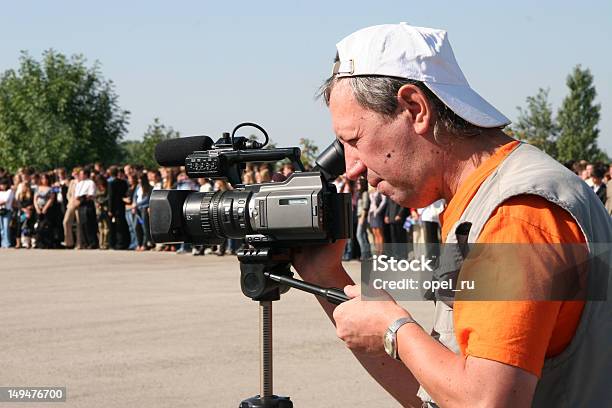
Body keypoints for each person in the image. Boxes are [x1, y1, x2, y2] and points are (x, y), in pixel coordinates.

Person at [291, 23, 612, 406]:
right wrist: (323, 276)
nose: (353, 166)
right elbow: (441, 396)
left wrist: (394, 329)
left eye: (355, 140)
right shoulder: (482, 201)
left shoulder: (515, 215)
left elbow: (484, 402)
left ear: (415, 108)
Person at [75, 168, 98, 249]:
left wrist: (84, 197)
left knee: (89, 224)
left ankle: (92, 242)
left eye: (81, 174)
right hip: (80, 204)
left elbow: (91, 194)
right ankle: (85, 242)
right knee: (82, 224)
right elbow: (76, 194)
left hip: (87, 203)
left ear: (85, 174)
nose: (80, 175)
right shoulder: (79, 183)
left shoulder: (90, 182)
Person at [0, 177, 14, 248]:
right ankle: (3, 243)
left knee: (6, 227)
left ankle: (7, 243)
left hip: (7, 211)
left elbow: (6, 200)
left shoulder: (10, 191)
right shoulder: (0, 192)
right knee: (1, 228)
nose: (2, 186)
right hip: (0, 211)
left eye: (4, 184)